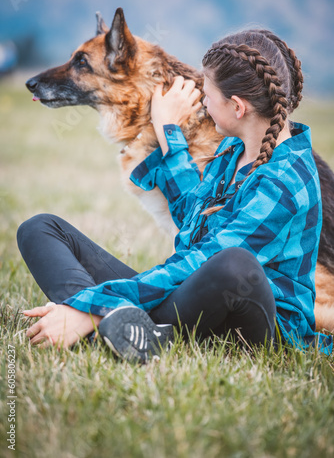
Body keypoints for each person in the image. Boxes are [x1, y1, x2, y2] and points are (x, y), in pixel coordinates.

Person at [17, 29, 333, 362]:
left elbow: (203, 258)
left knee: (233, 264)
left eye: (206, 94)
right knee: (41, 229)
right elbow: (190, 222)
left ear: (237, 107)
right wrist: (169, 131)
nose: (201, 101)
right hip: (195, 295)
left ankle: (94, 319)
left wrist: (90, 305)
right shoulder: (233, 150)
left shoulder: (286, 179)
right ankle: (126, 327)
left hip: (254, 325)